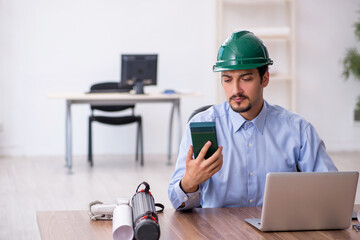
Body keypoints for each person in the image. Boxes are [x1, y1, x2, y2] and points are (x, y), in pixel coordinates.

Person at [168, 30, 338, 210]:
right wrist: (189, 183)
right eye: (227, 80)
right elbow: (178, 203)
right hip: (217, 233)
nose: (235, 90)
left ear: (264, 79)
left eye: (246, 79)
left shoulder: (297, 129)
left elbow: (332, 190)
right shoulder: (200, 125)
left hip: (279, 232)